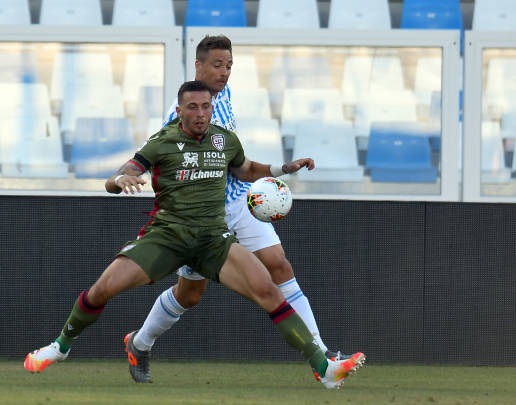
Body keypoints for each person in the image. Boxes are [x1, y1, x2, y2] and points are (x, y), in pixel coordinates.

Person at [24, 81, 365, 389]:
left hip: (212, 239)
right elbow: (124, 172)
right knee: (103, 289)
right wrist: (118, 181)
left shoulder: (224, 139)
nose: (201, 114)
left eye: (206, 107)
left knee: (268, 291)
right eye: (193, 107)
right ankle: (60, 347)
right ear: (179, 111)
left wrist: (281, 169)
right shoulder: (163, 141)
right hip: (167, 236)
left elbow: (244, 169)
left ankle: (324, 368)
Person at [125, 35, 352, 384]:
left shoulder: (225, 95)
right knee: (190, 294)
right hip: (200, 213)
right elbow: (154, 152)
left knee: (278, 264)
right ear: (198, 66)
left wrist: (279, 169)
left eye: (229, 65)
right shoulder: (182, 113)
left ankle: (323, 359)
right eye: (217, 65)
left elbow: (236, 162)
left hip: (238, 200)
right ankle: (140, 343)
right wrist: (130, 173)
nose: (224, 72)